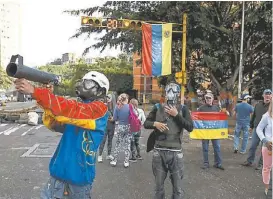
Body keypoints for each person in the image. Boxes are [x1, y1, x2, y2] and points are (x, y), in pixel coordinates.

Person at [14, 71, 110, 199]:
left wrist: (35, 91)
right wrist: (47, 95)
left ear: (100, 92)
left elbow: (69, 110)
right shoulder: (78, 111)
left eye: (87, 83)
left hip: (77, 183)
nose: (81, 85)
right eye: (81, 81)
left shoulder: (99, 110)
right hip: (56, 178)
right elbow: (53, 123)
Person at [144, 81, 193, 199]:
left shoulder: (183, 109)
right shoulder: (157, 107)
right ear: (165, 93)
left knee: (177, 188)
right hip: (159, 151)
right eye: (168, 90)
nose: (170, 93)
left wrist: (176, 115)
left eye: (173, 90)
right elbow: (146, 123)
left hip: (176, 153)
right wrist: (155, 123)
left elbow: (190, 127)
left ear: (177, 93)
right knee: (158, 187)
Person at [242, 89, 272, 169]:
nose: (267, 96)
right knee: (253, 146)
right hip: (257, 129)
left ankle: (261, 164)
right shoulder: (258, 105)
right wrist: (251, 126)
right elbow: (254, 116)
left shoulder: (272, 106)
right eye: (266, 94)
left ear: (271, 96)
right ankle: (249, 161)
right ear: (263, 95)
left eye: (269, 94)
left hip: (268, 131)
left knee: (265, 148)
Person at [198, 92, 225, 170]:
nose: (208, 99)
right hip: (205, 131)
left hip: (214, 131)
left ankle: (218, 163)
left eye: (210, 98)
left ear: (213, 99)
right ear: (205, 99)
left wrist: (225, 113)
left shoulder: (216, 108)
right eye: (207, 98)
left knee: (217, 147)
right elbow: (197, 119)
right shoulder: (201, 108)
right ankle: (206, 163)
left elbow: (220, 117)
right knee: (205, 148)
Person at [110, 93, 132, 168]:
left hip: (120, 127)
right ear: (126, 99)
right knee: (127, 144)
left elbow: (115, 118)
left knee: (118, 144)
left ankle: (114, 160)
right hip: (128, 127)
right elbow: (134, 116)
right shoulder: (130, 106)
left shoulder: (117, 107)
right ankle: (126, 161)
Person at [256, 99, 272, 195]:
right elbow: (259, 129)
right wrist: (264, 140)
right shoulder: (266, 116)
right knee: (267, 168)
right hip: (268, 146)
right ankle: (267, 189)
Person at [98, 94, 116, 162]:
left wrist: (114, 118)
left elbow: (116, 116)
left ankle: (108, 154)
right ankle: (100, 155)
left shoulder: (115, 107)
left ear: (112, 98)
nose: (108, 98)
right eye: (107, 97)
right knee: (103, 140)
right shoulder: (104, 105)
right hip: (105, 125)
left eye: (109, 97)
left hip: (112, 125)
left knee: (110, 140)